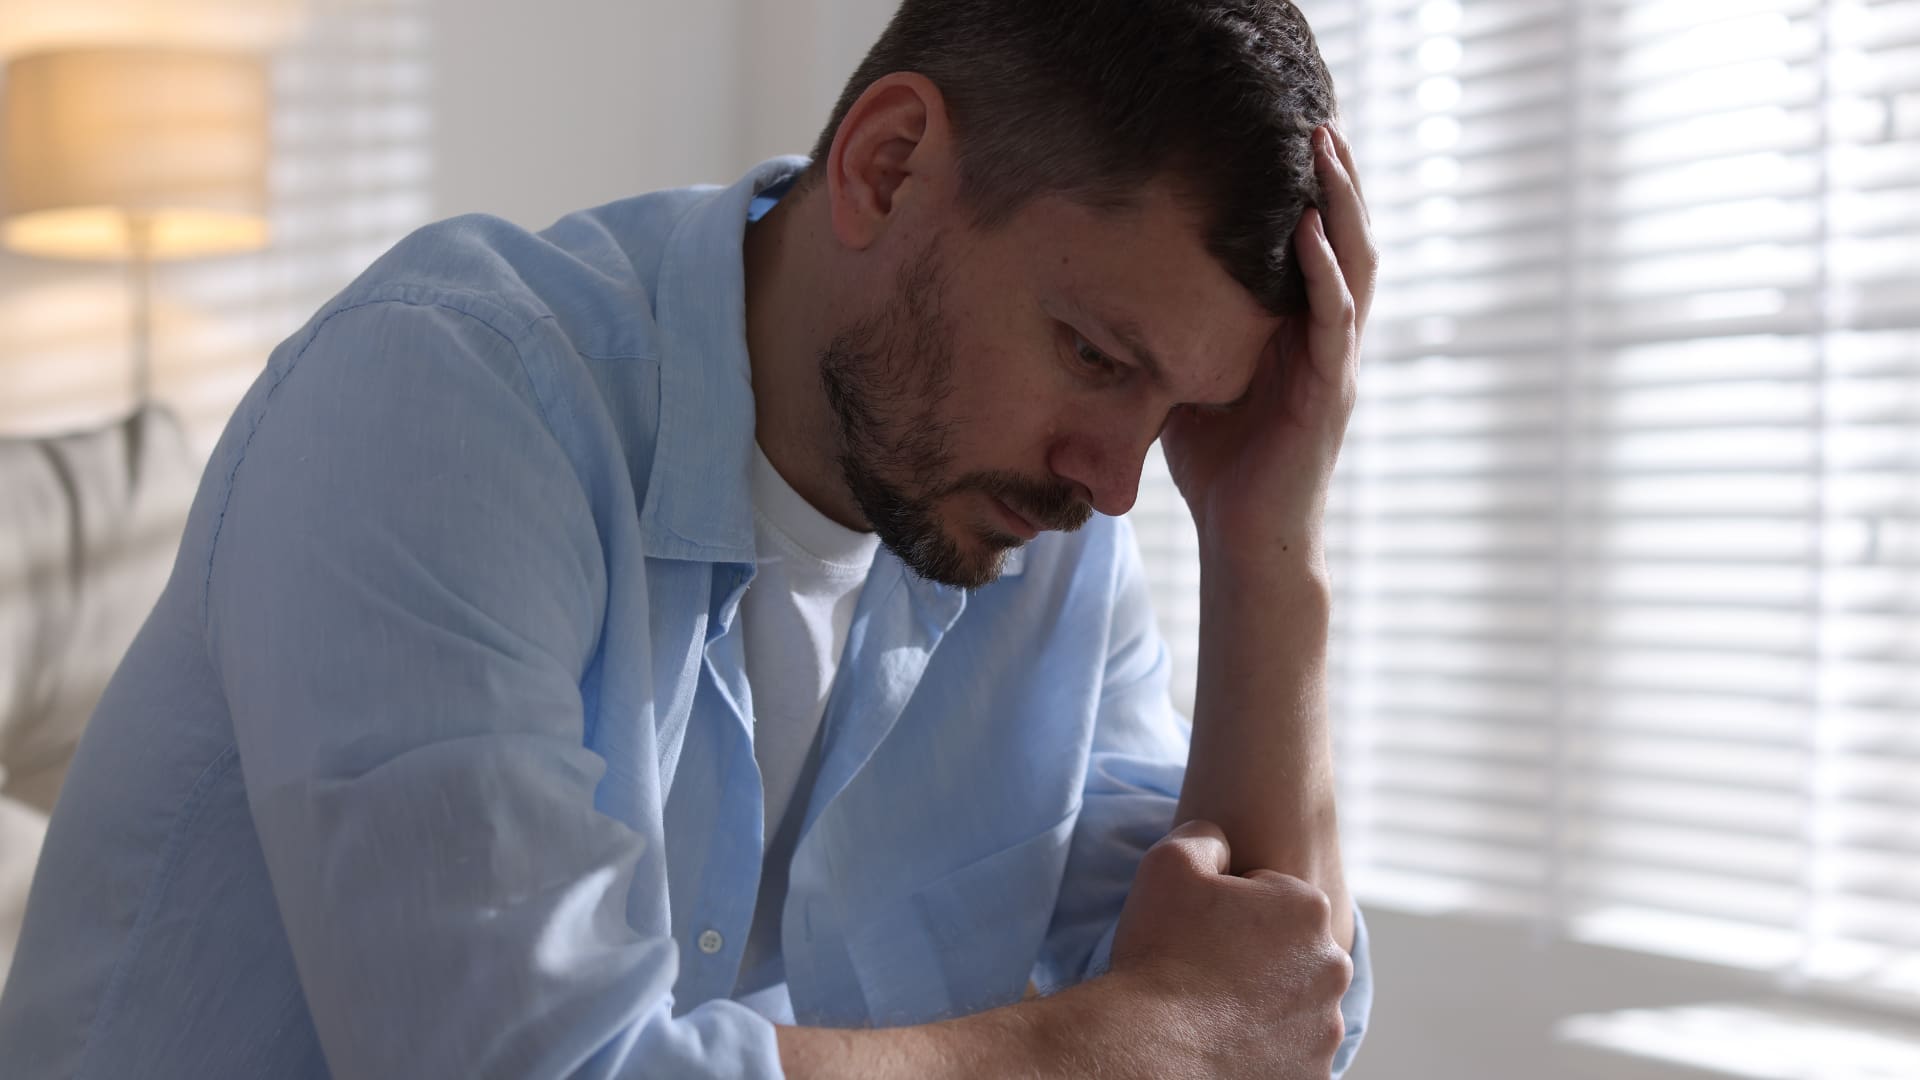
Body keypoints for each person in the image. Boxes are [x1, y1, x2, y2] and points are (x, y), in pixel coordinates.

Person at [0, 1, 1378, 1076]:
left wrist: (1267, 542)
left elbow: (1269, 1005)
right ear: (887, 166)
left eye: (1177, 409)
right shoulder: (444, 396)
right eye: (1092, 352)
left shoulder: (1032, 524)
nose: (1121, 477)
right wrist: (1117, 1050)